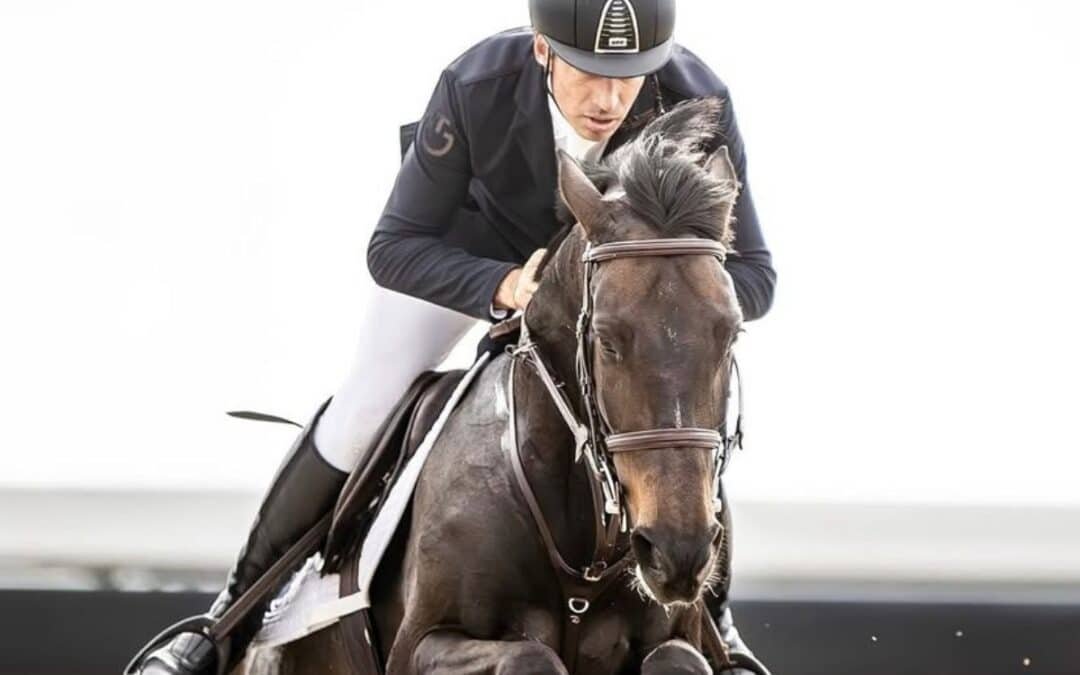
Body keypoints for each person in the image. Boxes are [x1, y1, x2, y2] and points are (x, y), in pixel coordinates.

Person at [137, 0, 776, 673]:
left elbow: (756, 277)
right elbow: (393, 246)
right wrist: (504, 284)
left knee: (667, 412)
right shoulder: (476, 85)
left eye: (630, 75)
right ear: (542, 50)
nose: (610, 99)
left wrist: (669, 301)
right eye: (588, 72)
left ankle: (719, 630)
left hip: (606, 296)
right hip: (471, 259)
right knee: (365, 404)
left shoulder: (697, 100)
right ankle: (225, 624)